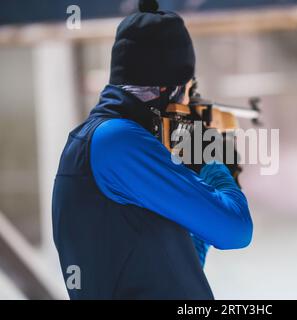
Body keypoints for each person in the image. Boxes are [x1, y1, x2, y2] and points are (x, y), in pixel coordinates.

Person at [52, 0, 253, 299]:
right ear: (166, 90)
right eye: (186, 91)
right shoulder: (117, 142)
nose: (187, 105)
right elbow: (236, 229)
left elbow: (171, 269)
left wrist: (197, 196)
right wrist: (210, 161)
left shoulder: (108, 141)